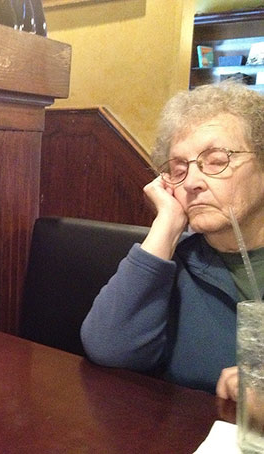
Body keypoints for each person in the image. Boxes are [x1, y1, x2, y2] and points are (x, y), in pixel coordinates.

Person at [80, 81, 264, 399]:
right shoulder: (174, 262)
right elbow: (108, 349)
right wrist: (166, 225)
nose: (192, 182)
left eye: (216, 161)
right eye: (178, 170)